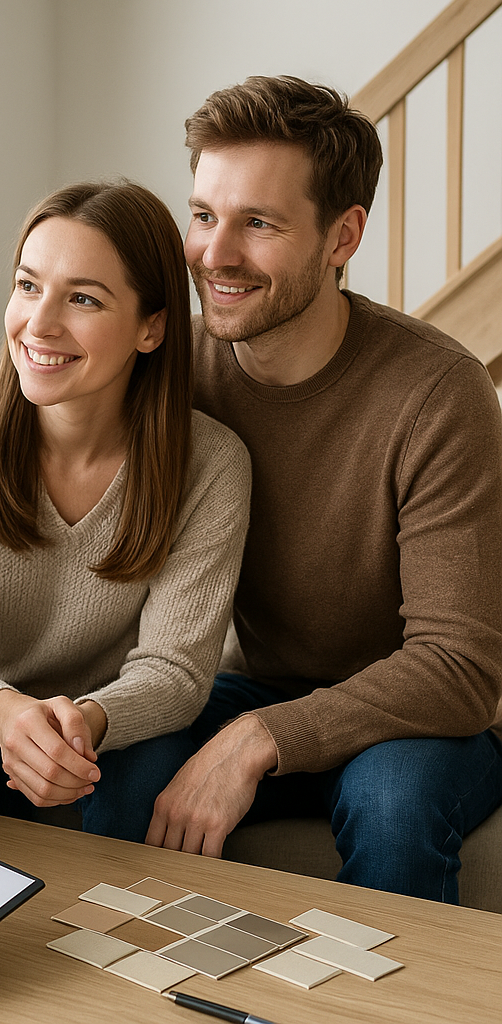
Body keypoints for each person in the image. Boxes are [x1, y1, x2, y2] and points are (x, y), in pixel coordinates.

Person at [145, 75, 502, 903]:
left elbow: (459, 666)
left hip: (416, 713)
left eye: (258, 223)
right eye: (203, 216)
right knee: (118, 745)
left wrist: (258, 740)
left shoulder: (438, 392)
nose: (214, 254)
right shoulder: (171, 370)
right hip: (260, 681)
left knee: (392, 800)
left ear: (343, 236)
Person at [0, 180, 251, 838]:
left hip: (117, 722)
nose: (40, 322)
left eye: (83, 298)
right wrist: (5, 715)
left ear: (152, 327)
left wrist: (79, 723)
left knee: (141, 785)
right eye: (29, 286)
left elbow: (175, 671)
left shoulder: (211, 463)